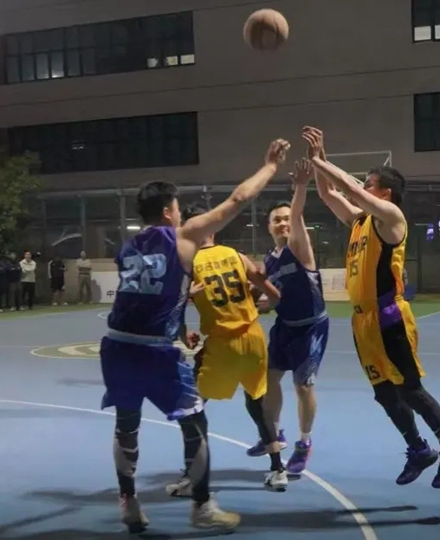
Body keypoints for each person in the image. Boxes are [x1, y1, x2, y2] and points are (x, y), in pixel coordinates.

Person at [99, 138, 290, 533]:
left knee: (126, 424)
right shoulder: (182, 237)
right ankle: (202, 507)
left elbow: (151, 294)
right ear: (169, 211)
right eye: (176, 207)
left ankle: (128, 502)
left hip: (116, 345)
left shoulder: (128, 248)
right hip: (155, 351)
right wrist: (270, 167)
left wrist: (180, 320)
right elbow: (237, 199)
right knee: (195, 424)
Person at [304, 126, 440, 488]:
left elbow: (348, 189)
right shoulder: (360, 222)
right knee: (383, 394)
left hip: (389, 317)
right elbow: (330, 193)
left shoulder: (392, 219)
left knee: (410, 389)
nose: (362, 187)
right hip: (363, 322)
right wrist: (317, 164)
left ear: (385, 193)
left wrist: (320, 159)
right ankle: (418, 449)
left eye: (369, 183)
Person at [165, 206, 288, 496]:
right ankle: (278, 470)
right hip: (254, 340)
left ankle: (192, 476)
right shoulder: (237, 256)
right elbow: (274, 295)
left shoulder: (187, 263)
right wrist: (253, 305)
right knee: (257, 404)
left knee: (190, 406)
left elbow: (174, 305)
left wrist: (183, 334)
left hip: (222, 344)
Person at [244, 158, 329, 475]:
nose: (282, 223)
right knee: (268, 380)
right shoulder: (270, 259)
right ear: (268, 227)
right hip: (285, 327)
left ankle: (304, 442)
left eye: (286, 218)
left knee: (303, 386)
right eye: (276, 220)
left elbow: (296, 217)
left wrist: (301, 187)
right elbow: (268, 294)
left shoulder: (299, 247)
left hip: (311, 327)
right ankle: (275, 434)